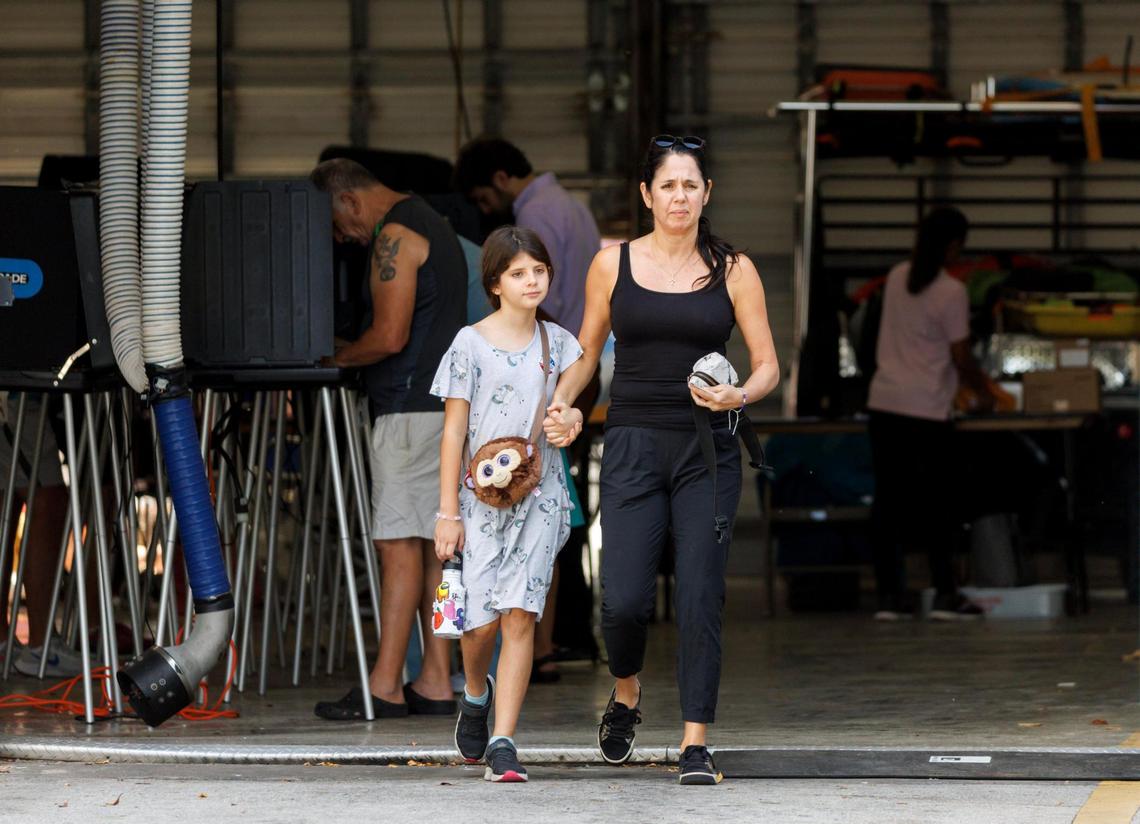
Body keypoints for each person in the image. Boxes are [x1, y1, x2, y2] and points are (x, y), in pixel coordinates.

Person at [544, 134, 779, 785]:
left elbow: (768, 367)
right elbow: (587, 352)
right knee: (620, 600)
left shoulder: (734, 269)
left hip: (708, 450)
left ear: (708, 193)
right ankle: (626, 690)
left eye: (691, 184)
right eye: (667, 185)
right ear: (646, 195)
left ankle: (695, 740)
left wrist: (740, 393)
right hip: (631, 444)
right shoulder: (609, 263)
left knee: (702, 593)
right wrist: (564, 402)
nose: (680, 196)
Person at [309, 158, 466, 720]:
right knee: (438, 554)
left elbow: (390, 334)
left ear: (349, 201)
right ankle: (437, 680)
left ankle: (384, 686)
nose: (339, 238)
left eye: (334, 223)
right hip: (444, 411)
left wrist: (336, 357)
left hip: (406, 410)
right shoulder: (434, 220)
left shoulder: (393, 235)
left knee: (397, 547)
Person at [432, 226, 582, 782]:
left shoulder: (560, 343)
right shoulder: (468, 344)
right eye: (519, 273)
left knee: (522, 614)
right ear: (495, 283)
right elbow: (452, 435)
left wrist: (574, 419)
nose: (532, 281)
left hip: (540, 500)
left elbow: (571, 407)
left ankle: (503, 742)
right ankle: (475, 695)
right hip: (477, 503)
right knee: (479, 624)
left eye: (539, 270)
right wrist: (447, 513)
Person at [456, 137, 603, 681]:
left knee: (530, 495)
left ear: (498, 179)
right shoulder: (573, 206)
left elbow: (549, 313)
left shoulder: (535, 215)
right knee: (555, 507)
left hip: (548, 378)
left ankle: (538, 642)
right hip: (571, 376)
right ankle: (552, 638)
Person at [866, 207, 992, 622]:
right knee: (940, 504)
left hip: (884, 403)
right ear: (954, 245)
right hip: (927, 409)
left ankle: (889, 597)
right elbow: (960, 354)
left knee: (889, 501)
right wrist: (982, 389)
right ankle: (944, 593)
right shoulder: (951, 292)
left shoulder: (898, 276)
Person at [0, 393, 84, 678]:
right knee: (47, 498)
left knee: (7, 497)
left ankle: (9, 641)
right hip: (15, 385)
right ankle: (42, 645)